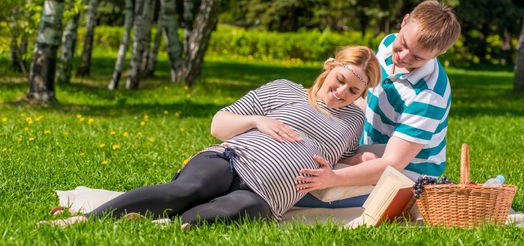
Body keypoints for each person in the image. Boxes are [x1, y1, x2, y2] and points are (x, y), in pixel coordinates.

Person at [40, 46, 381, 228]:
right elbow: (219, 123)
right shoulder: (284, 89)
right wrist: (259, 122)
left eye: (353, 90)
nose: (342, 93)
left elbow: (342, 158)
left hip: (270, 194)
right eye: (340, 80)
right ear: (329, 67)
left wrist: (358, 159)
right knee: (187, 190)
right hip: (234, 160)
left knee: (237, 210)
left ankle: (166, 224)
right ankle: (83, 220)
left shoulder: (354, 119)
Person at [296, 0, 461, 194]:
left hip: (408, 174)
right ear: (404, 21)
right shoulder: (388, 43)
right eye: (403, 44)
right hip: (367, 149)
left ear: (439, 53)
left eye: (417, 57)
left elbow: (392, 163)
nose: (403, 56)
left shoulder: (428, 97)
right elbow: (361, 97)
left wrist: (333, 178)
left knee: (306, 183)